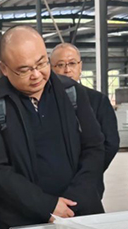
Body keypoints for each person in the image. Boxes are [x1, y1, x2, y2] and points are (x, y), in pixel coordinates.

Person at [0, 26, 105, 229]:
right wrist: (47, 206)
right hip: (24, 225)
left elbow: (95, 147)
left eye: (42, 63)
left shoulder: (72, 92)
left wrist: (74, 200)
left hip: (80, 215)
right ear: (4, 68)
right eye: (24, 70)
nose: (36, 75)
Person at [50, 42, 119, 197]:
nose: (67, 70)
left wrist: (89, 172)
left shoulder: (98, 100)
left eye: (72, 63)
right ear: (51, 69)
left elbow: (111, 143)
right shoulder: (44, 102)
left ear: (80, 66)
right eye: (60, 65)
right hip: (53, 188)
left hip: (88, 184)